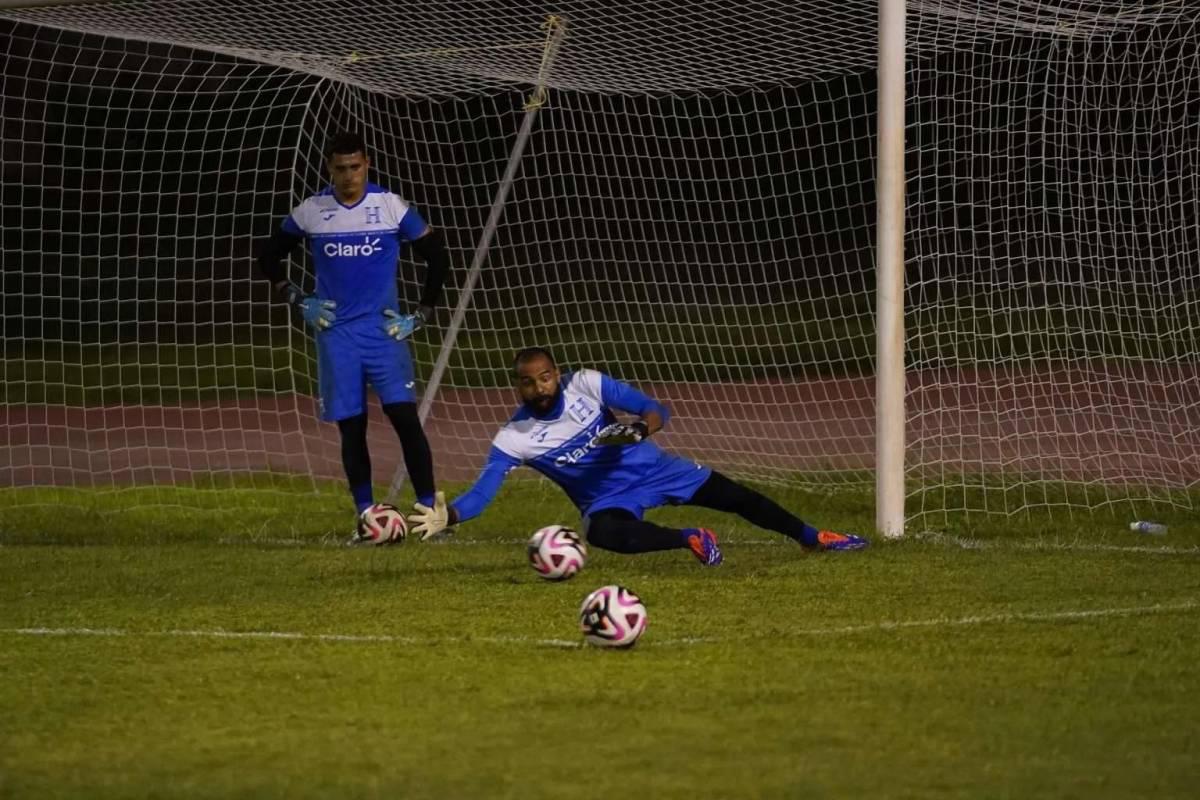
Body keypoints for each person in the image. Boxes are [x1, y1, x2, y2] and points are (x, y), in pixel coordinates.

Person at [407, 347, 867, 564]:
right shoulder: (516, 436)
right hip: (608, 499)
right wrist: (453, 516)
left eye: (545, 377)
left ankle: (812, 536)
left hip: (657, 469)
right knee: (605, 533)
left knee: (739, 497)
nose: (538, 387)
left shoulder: (586, 383)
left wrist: (639, 428)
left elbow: (655, 408)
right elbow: (484, 492)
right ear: (518, 386)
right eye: (528, 381)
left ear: (557, 375)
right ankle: (689, 538)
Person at [256, 131, 450, 540]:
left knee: (404, 418)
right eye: (341, 168)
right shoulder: (312, 211)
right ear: (330, 168)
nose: (349, 176)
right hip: (336, 335)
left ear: (367, 165)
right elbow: (268, 256)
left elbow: (437, 255)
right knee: (352, 425)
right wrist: (296, 298)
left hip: (383, 332)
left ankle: (431, 512)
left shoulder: (390, 206)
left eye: (356, 167)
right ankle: (367, 516)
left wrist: (421, 314)